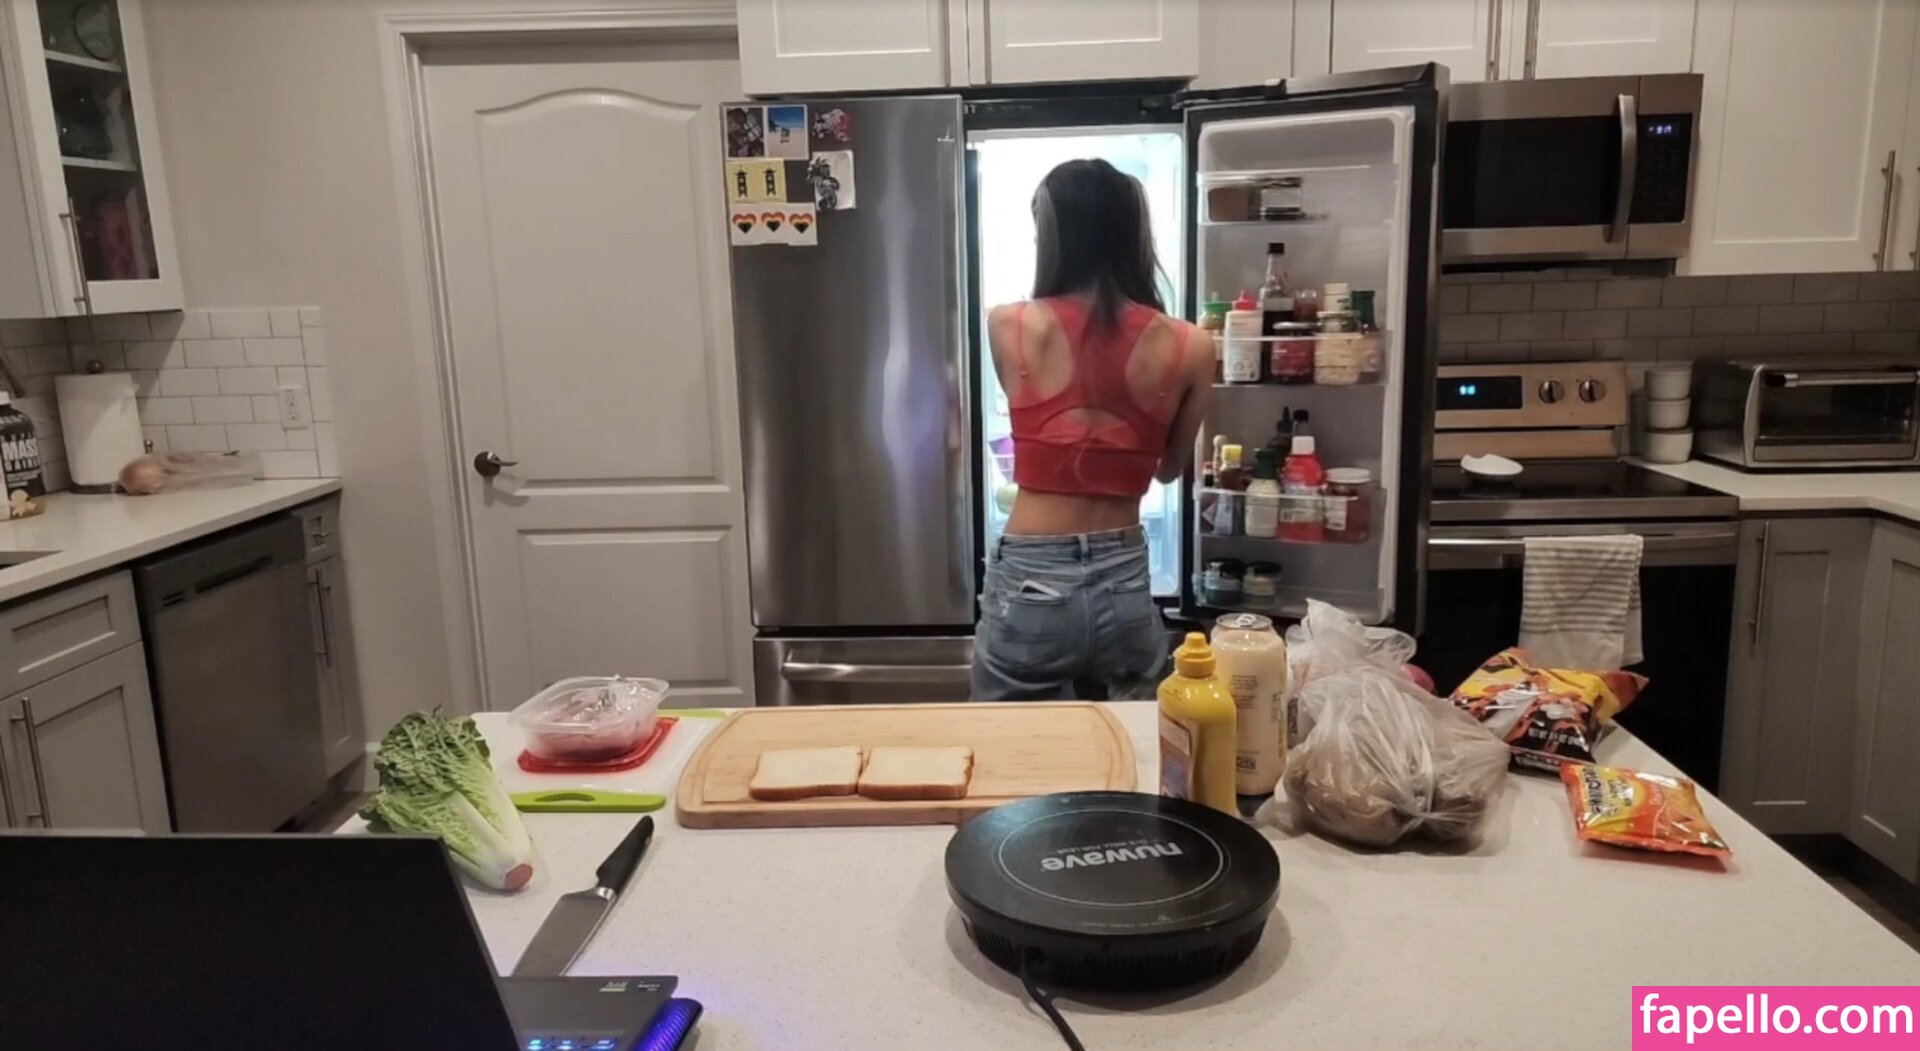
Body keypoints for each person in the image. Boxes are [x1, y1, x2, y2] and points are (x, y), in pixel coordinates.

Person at [973, 159, 1213, 701]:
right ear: (1133, 236)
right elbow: (1169, 471)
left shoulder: (1007, 324)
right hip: (1123, 575)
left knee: (1004, 736)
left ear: (1053, 236)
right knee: (1138, 737)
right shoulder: (1192, 346)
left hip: (1031, 576)